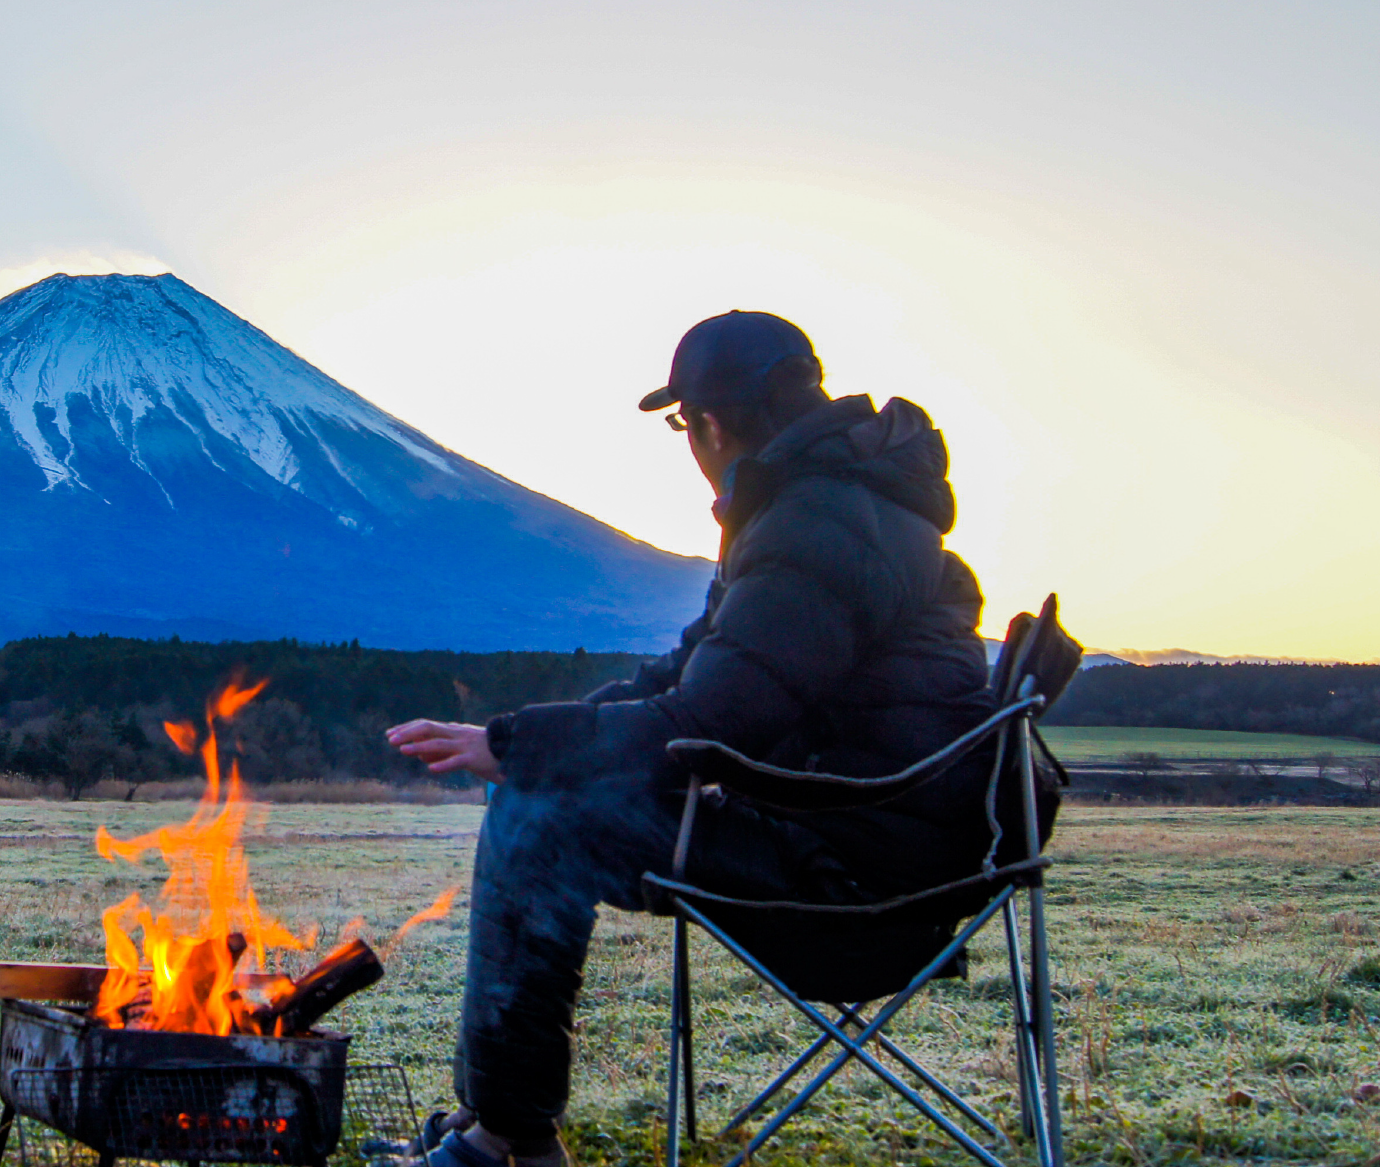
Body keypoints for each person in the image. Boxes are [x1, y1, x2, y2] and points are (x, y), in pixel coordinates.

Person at [386, 311, 998, 1167]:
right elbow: (681, 676)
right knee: (532, 782)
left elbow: (709, 719)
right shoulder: (838, 506)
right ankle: (495, 1121)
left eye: (681, 425)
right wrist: (513, 737)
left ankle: (506, 1141)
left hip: (855, 885)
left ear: (708, 423)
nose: (688, 444)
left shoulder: (817, 527)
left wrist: (522, 756)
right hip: (875, 849)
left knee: (539, 814)